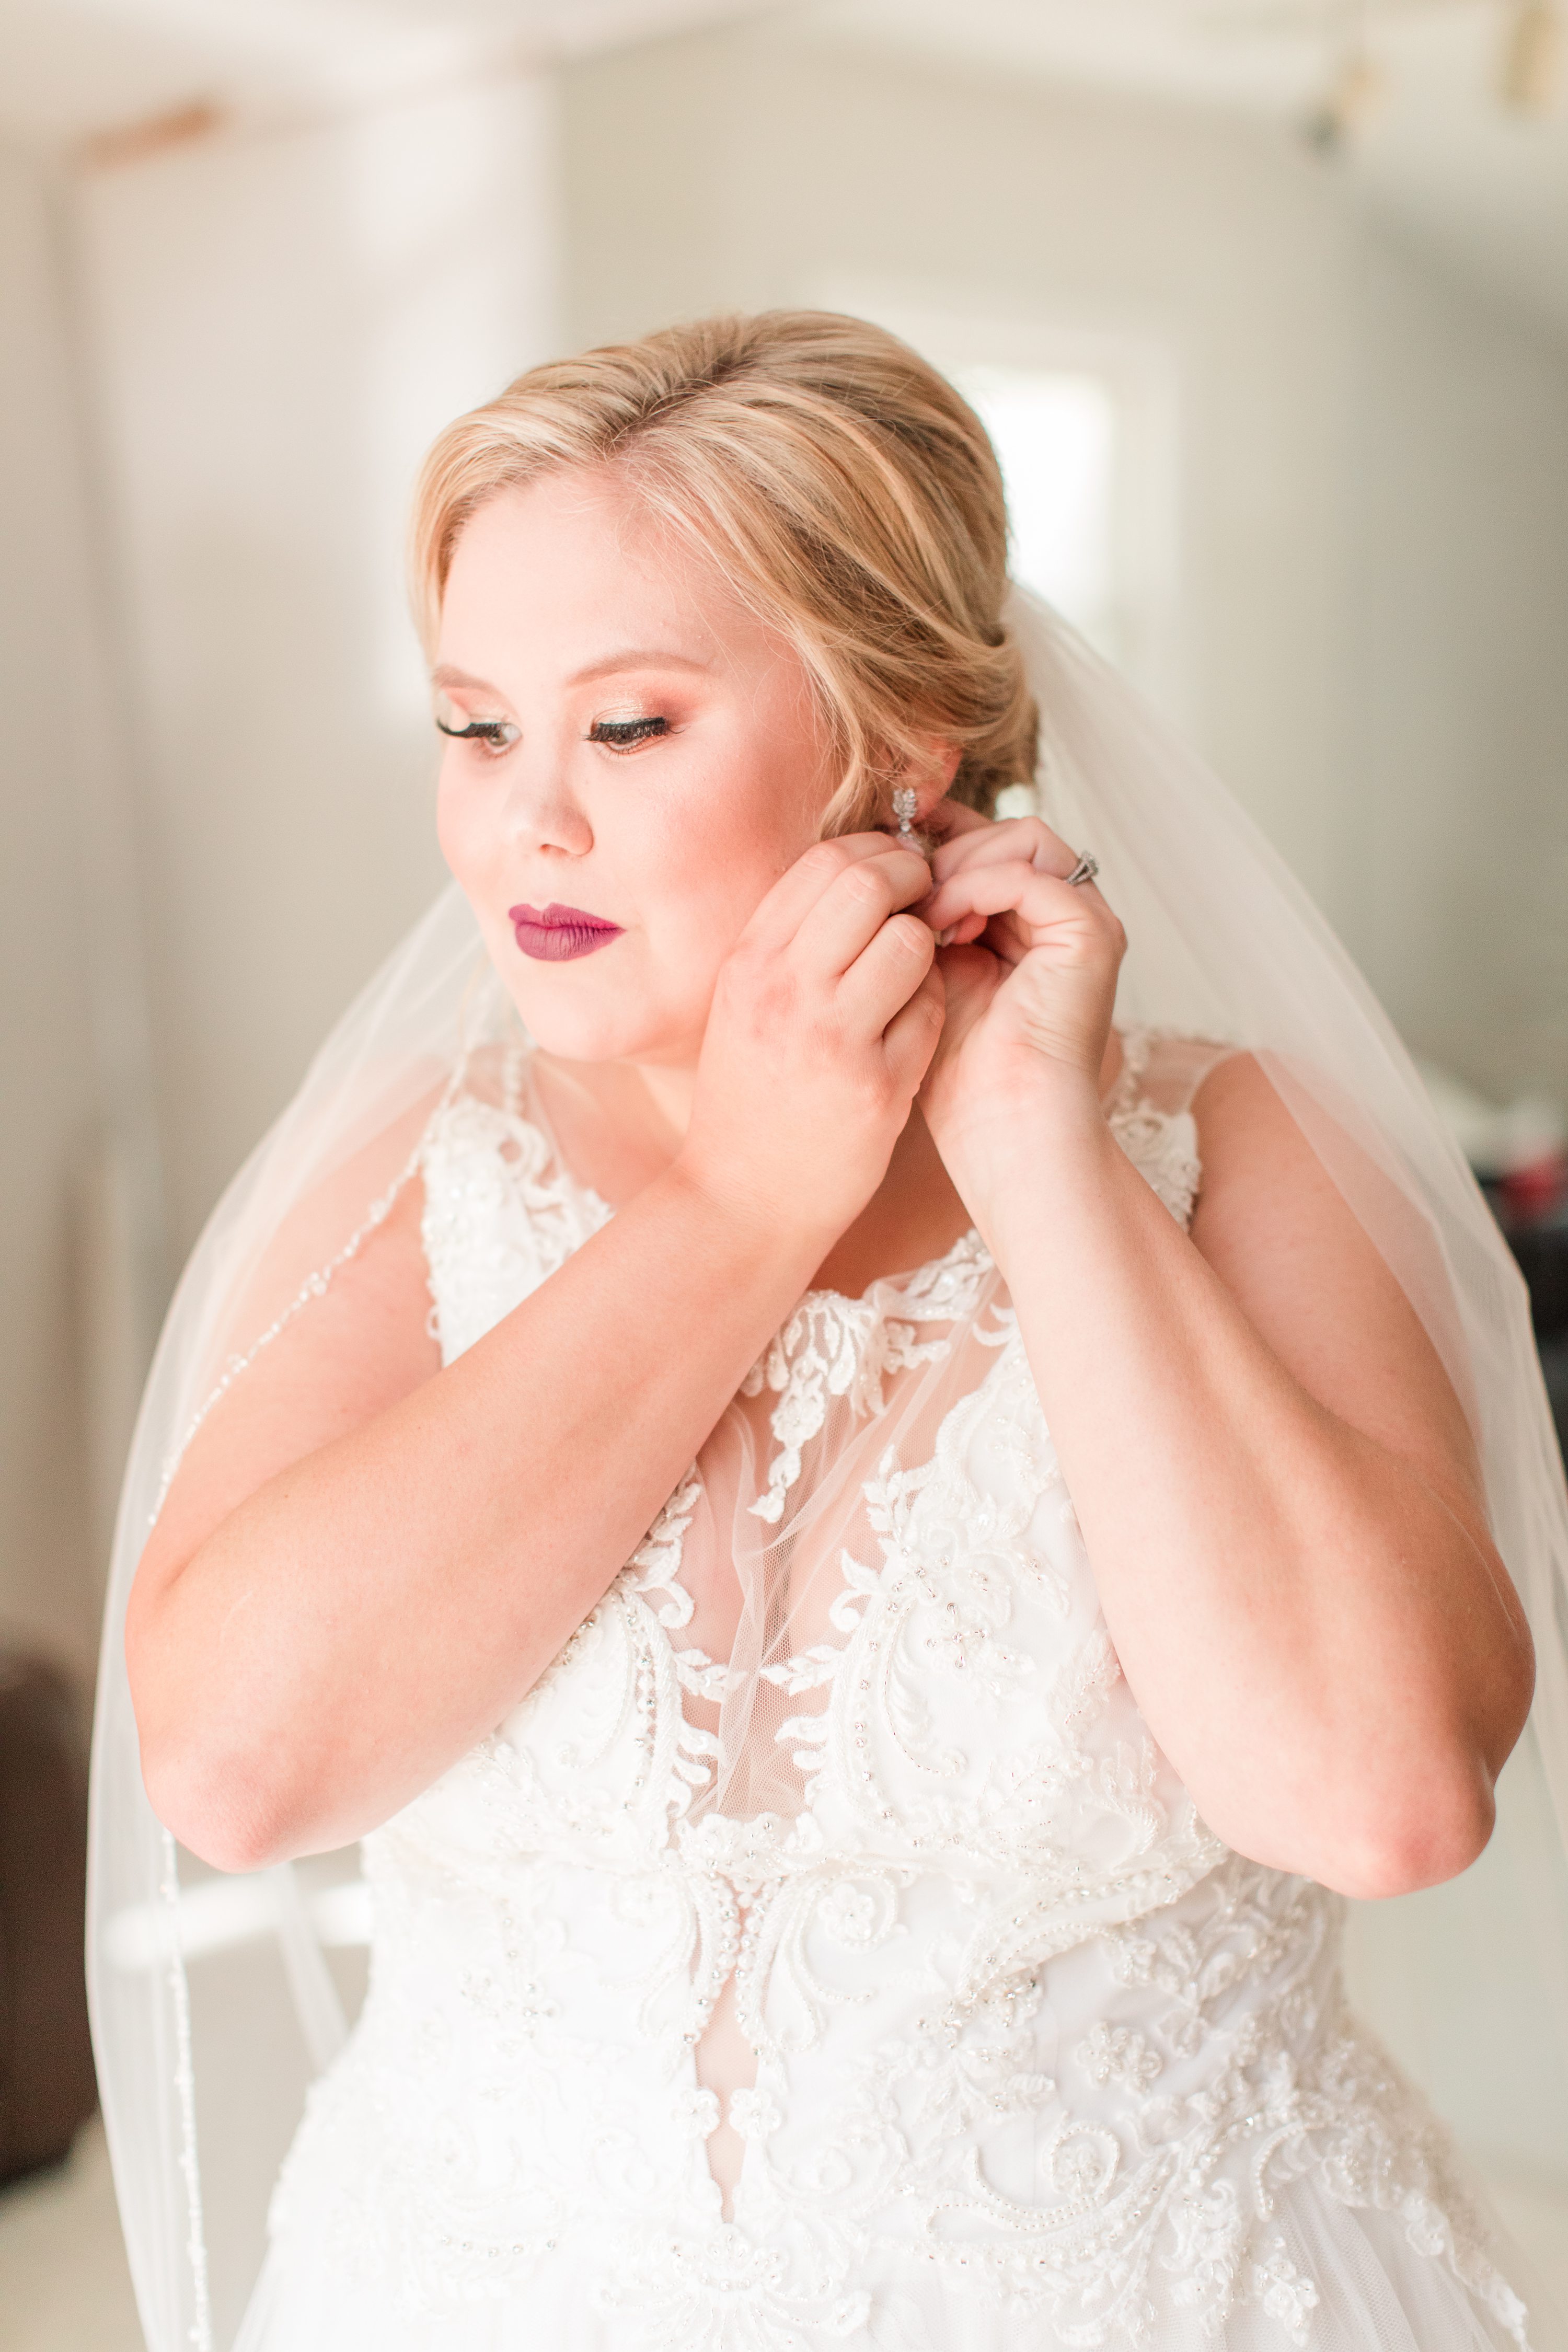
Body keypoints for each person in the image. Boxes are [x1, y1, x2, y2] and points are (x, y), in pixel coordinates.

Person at [97, 312, 1563, 2351]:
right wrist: (740, 1204)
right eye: (473, 725)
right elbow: (236, 1777)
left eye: (626, 729)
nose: (526, 825)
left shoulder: (1242, 1151)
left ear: (899, 739)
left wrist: (1045, 1153)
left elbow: (1382, 1797)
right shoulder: (409, 1172)